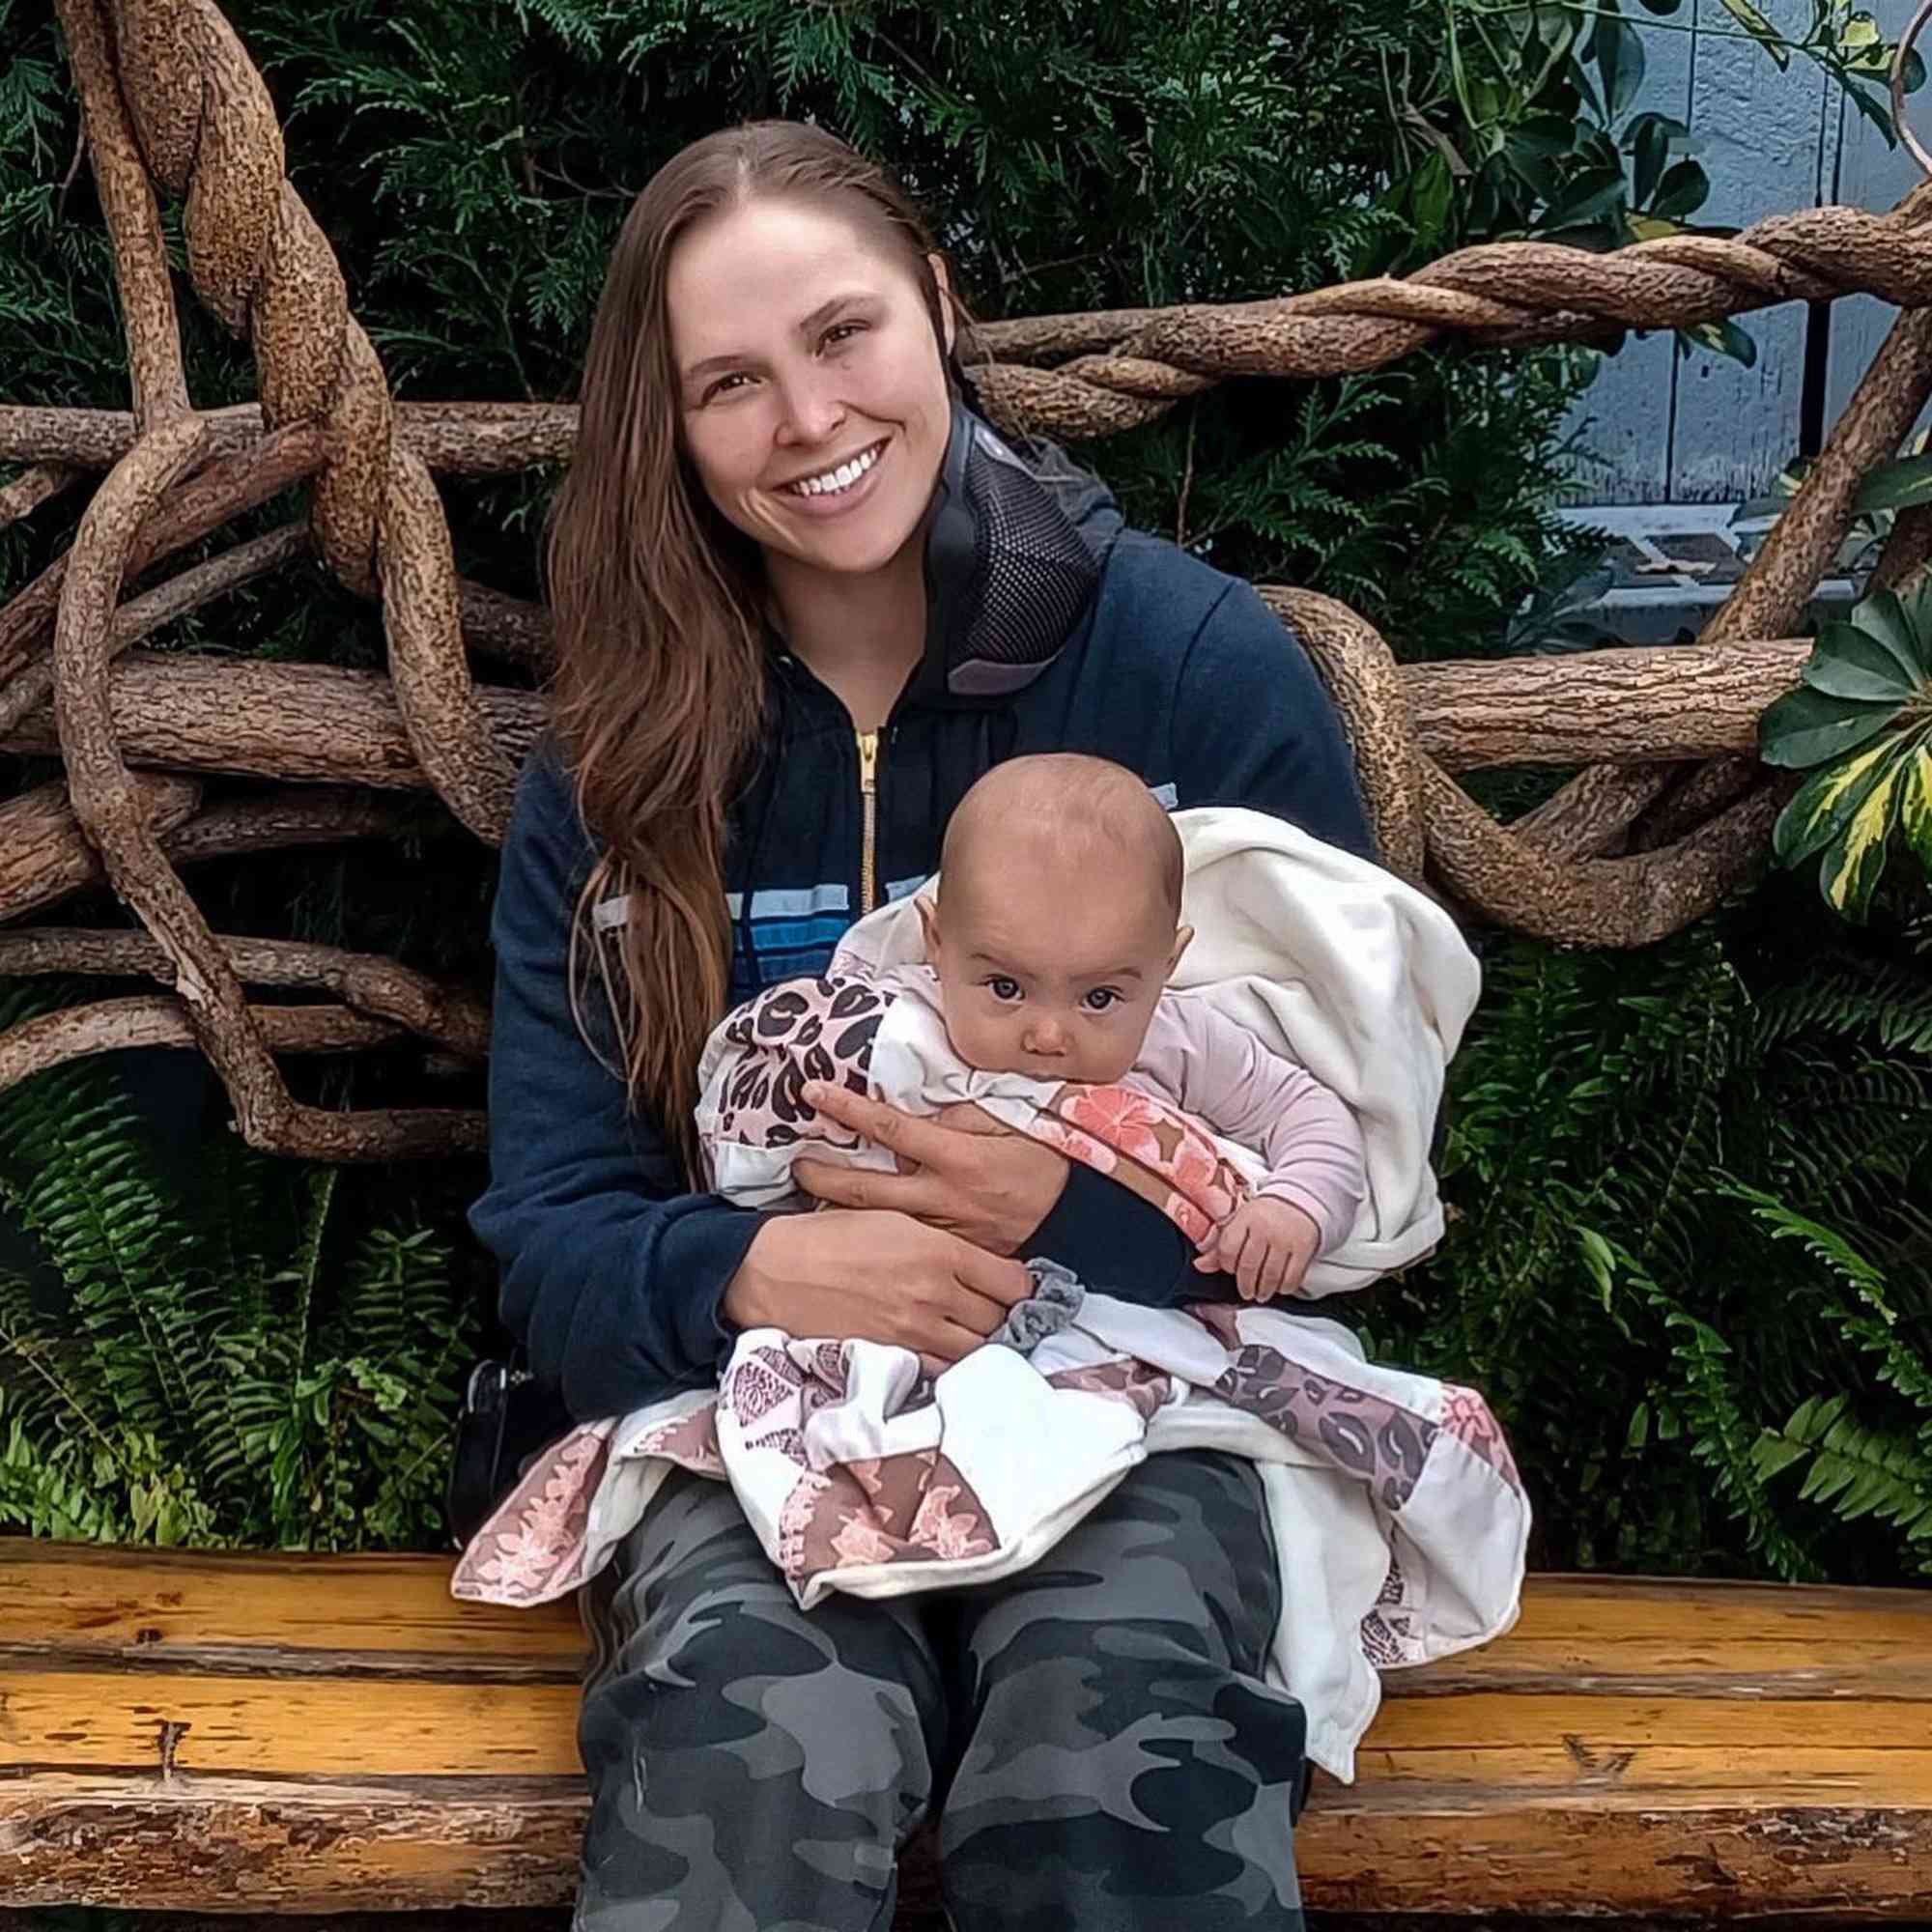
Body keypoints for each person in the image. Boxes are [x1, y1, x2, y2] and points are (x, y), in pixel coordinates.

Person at [471, 117, 1375, 1932]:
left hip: (1147, 1424)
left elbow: (1347, 1190)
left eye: (841, 334)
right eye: (729, 381)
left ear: (939, 308)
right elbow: (548, 1230)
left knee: (1105, 1752)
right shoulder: (625, 771)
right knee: (748, 1740)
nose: (805, 421)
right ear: (672, 430)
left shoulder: (1193, 672)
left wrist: (1067, 1215)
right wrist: (755, 1278)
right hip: (761, 1427)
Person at [702, 751, 1369, 1308]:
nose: (1049, 1034)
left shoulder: (1179, 1038)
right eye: (1005, 988)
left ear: (1167, 965)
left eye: (1100, 996)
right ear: (937, 943)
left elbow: (1309, 1113)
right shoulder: (884, 1023)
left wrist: (1295, 1206)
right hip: (888, 1303)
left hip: (1113, 1314)